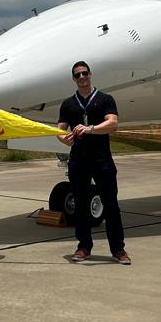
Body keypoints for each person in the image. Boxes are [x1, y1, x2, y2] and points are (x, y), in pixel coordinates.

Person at [57, 61, 129, 264]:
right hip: (78, 161)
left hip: (102, 160)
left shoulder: (105, 99)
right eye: (77, 75)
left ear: (90, 75)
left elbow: (113, 124)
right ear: (73, 79)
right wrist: (64, 139)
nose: (82, 78)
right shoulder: (68, 103)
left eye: (84, 73)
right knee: (80, 205)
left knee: (111, 205)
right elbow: (60, 129)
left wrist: (90, 129)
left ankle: (118, 249)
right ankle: (83, 246)